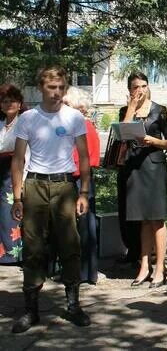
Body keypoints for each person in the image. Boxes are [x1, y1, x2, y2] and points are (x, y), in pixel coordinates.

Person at [10, 66, 91, 333]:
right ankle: (31, 310)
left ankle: (73, 305)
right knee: (33, 247)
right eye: (50, 87)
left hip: (65, 186)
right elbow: (18, 160)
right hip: (34, 185)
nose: (56, 93)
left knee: (70, 244)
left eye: (60, 88)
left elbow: (85, 156)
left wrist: (84, 192)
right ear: (41, 88)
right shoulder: (28, 118)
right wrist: (18, 197)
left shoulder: (74, 118)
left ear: (64, 89)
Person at [117, 72, 167, 288]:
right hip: (134, 168)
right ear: (130, 89)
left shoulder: (159, 110)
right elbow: (122, 135)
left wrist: (153, 141)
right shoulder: (126, 111)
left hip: (154, 166)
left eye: (143, 85)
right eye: (135, 87)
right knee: (142, 219)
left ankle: (160, 267)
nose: (140, 90)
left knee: (156, 219)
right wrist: (132, 107)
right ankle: (144, 266)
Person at [63, 87, 101, 284]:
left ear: (79, 107)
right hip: (72, 178)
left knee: (85, 225)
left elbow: (90, 158)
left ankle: (86, 272)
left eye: (67, 104)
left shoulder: (85, 127)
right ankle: (78, 271)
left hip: (80, 180)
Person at [0, 85, 26, 265]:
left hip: (15, 171)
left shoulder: (23, 123)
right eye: (4, 101)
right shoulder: (0, 124)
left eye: (12, 101)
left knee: (11, 213)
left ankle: (15, 254)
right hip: (0, 171)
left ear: (19, 104)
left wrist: (23, 180)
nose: (8, 104)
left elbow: (27, 153)